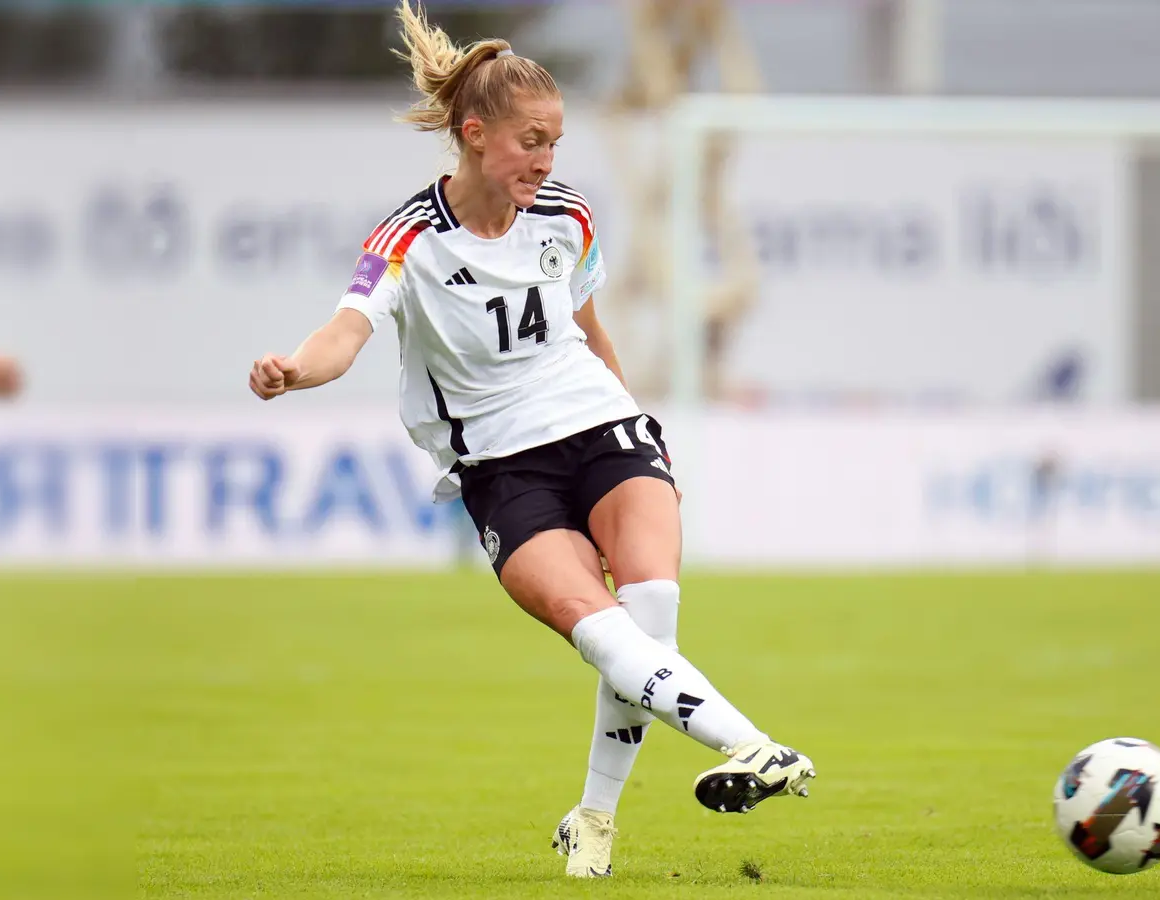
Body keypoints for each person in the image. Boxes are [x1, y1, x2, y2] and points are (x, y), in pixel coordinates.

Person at [246, 0, 814, 880]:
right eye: (529, 142)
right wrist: (291, 369)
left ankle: (622, 807)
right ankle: (746, 747)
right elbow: (344, 334)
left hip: (601, 426)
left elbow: (588, 329)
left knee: (652, 610)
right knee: (601, 631)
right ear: (475, 136)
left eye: (554, 142)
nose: (545, 160)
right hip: (502, 467)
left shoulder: (565, 214)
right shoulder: (410, 241)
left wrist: (644, 434)